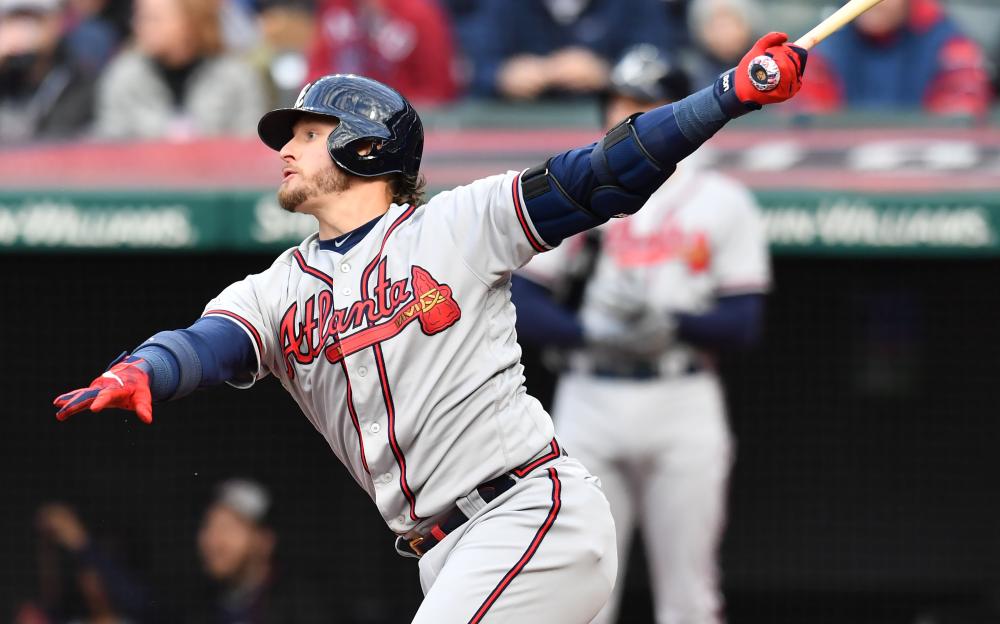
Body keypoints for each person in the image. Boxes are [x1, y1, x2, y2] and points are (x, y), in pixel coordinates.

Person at [53, 31, 807, 622]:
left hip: (526, 513)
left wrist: (725, 96)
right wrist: (144, 368)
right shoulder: (278, 289)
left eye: (307, 135)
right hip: (442, 552)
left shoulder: (457, 224)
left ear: (365, 145)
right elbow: (208, 344)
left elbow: (599, 175)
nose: (284, 149)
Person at [512, 46, 769, 624]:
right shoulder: (578, 185)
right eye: (620, 101)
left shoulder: (720, 199)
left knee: (690, 594)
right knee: (584, 589)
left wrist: (673, 325)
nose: (626, 116)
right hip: (590, 395)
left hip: (681, 392)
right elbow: (521, 303)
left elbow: (745, 321)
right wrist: (588, 332)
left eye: (645, 104)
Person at [93, 0, 267, 140]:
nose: (139, 26)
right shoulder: (124, 75)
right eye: (139, 17)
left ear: (191, 21)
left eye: (153, 18)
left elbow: (252, 143)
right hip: (143, 180)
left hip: (221, 181)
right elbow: (109, 143)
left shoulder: (237, 77)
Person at [796, 0, 992, 115]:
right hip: (842, 171)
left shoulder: (948, 41)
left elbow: (959, 120)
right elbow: (806, 123)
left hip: (920, 169)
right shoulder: (824, 39)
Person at [467, 0, 678, 99]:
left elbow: (659, 65)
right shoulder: (503, 6)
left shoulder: (635, 6)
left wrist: (607, 74)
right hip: (517, 134)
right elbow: (475, 66)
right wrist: (503, 75)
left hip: (606, 137)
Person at [189, 479, 328, 624]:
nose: (212, 540)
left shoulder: (303, 606)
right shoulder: (194, 607)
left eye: (227, 528)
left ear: (266, 540)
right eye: (208, 526)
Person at [14, 503, 153, 624]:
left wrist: (81, 542)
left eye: (97, 571)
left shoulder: (139, 613)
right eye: (85, 572)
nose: (90, 580)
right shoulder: (69, 619)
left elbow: (138, 601)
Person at [306, 0, 457, 105]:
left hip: (400, 126)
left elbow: (438, 91)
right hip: (342, 117)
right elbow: (315, 75)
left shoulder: (419, 14)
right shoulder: (335, 8)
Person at [0, 0, 97, 143]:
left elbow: (59, 138)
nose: (23, 29)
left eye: (34, 18)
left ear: (57, 22)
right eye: (16, 18)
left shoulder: (77, 78)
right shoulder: (4, 75)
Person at [684, 0, 759, 89]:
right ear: (702, 32)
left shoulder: (763, 63)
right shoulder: (692, 74)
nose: (725, 34)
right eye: (718, 26)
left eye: (731, 23)